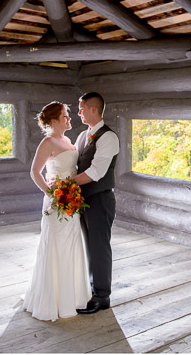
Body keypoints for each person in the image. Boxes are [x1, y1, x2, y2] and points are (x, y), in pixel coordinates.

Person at [22, 101, 92, 321]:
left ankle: (70, 297)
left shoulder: (68, 140)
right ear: (53, 121)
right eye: (65, 116)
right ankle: (52, 300)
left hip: (72, 201)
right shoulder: (48, 142)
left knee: (71, 245)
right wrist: (51, 193)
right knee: (56, 246)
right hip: (57, 203)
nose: (69, 119)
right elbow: (35, 172)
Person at [72, 92, 120, 315]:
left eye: (81, 108)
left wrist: (67, 182)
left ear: (93, 109)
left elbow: (96, 172)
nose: (79, 112)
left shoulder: (108, 137)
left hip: (100, 199)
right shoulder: (83, 136)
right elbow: (77, 164)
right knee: (89, 247)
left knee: (100, 248)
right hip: (84, 200)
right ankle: (92, 290)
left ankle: (102, 297)